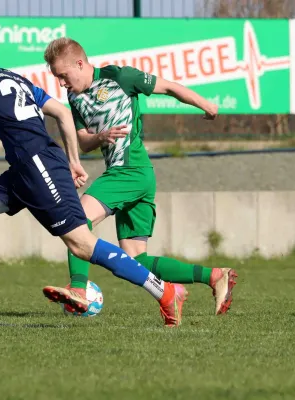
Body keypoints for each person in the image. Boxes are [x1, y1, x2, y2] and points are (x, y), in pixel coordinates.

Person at [0, 31, 188, 327]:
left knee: (81, 244)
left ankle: (166, 292)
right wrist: (74, 161)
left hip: (38, 164)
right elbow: (62, 114)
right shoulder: (14, 77)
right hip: (25, 168)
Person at [41, 37, 237, 316]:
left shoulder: (119, 77)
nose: (61, 82)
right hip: (129, 175)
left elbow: (168, 87)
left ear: (80, 63)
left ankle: (79, 289)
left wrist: (205, 104)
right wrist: (101, 136)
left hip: (131, 169)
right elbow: (84, 142)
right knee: (136, 259)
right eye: (57, 77)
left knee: (76, 222)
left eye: (63, 75)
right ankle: (214, 276)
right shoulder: (74, 98)